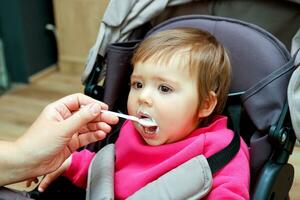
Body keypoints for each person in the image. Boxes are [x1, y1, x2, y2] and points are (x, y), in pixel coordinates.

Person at [30, 28, 250, 199]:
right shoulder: (129, 131)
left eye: (164, 88)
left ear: (205, 104)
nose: (143, 97)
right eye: (137, 84)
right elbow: (109, 175)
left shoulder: (220, 150)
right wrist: (70, 162)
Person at [0, 93, 118, 186]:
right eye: (136, 85)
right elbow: (115, 167)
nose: (138, 97)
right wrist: (72, 163)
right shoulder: (125, 132)